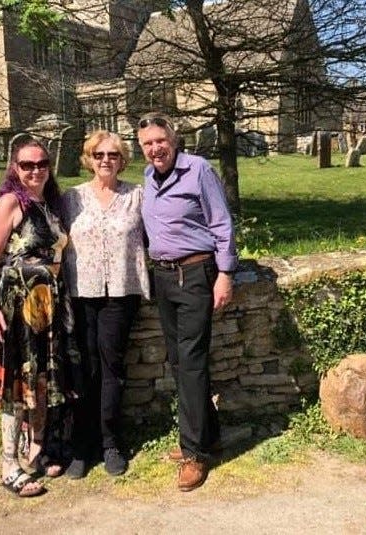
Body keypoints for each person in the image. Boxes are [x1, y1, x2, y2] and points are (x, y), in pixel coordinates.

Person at [136, 112, 238, 492]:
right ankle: (208, 435)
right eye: (147, 144)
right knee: (180, 362)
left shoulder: (198, 170)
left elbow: (222, 223)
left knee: (192, 361)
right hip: (164, 277)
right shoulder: (149, 177)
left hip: (196, 275)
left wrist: (225, 273)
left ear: (173, 140)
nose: (154, 149)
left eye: (160, 141)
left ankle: (194, 454)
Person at [0, 140, 71, 498]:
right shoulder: (10, 204)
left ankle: (36, 450)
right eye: (27, 164)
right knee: (17, 385)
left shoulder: (50, 205)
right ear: (14, 167)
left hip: (49, 308)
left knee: (43, 380)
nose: (35, 170)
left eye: (42, 163)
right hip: (18, 309)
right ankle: (9, 465)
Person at [61, 131, 151, 478]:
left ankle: (112, 442)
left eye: (113, 155)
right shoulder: (73, 199)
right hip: (82, 293)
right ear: (89, 158)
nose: (105, 161)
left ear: (122, 159)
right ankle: (82, 445)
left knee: (112, 368)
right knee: (85, 369)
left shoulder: (137, 197)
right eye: (99, 155)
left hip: (121, 294)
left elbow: (163, 230)